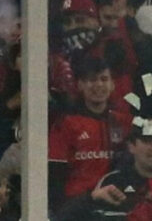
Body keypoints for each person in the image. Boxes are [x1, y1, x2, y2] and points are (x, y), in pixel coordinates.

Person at [49, 56, 131, 209]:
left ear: (112, 84)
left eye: (104, 79)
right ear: (80, 85)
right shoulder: (66, 123)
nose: (99, 85)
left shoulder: (124, 122)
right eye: (92, 80)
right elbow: (55, 173)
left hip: (117, 201)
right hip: (77, 204)